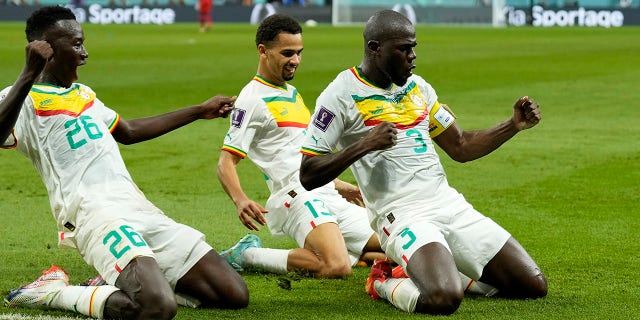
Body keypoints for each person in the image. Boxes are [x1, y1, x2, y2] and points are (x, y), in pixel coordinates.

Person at [0, 6, 247, 319]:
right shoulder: (21, 98)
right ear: (46, 50)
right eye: (76, 45)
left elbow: (127, 132)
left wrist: (199, 111)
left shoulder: (84, 94)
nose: (85, 53)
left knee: (232, 293)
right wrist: (28, 73)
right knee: (157, 307)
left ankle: (119, 278)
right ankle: (54, 292)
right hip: (95, 215)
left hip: (137, 207)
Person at [299, 9, 548, 315]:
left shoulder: (419, 88)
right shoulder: (340, 95)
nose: (413, 55)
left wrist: (512, 125)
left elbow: (461, 146)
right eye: (404, 49)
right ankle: (383, 280)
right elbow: (308, 173)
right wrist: (364, 145)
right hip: (400, 216)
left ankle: (447, 270)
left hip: (447, 204)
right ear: (375, 48)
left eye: (413, 46)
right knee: (444, 299)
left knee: (533, 285)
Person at [216, 13, 386, 279]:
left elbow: (294, 154)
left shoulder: (291, 94)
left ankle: (350, 252)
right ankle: (248, 255)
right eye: (287, 53)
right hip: (296, 196)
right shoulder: (251, 99)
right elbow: (226, 161)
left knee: (393, 243)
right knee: (335, 267)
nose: (295, 60)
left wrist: (342, 187)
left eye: (299, 53)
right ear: (263, 51)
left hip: (325, 193)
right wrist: (240, 200)